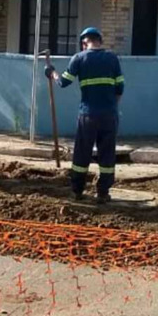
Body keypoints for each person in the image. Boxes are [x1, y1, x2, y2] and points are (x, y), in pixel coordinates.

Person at [45, 26, 124, 203]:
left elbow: (63, 82)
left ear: (84, 43)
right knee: (107, 155)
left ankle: (77, 191)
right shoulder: (112, 59)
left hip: (87, 115)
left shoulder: (79, 58)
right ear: (99, 41)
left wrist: (51, 72)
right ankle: (103, 192)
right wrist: (112, 108)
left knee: (82, 154)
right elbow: (120, 88)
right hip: (109, 115)